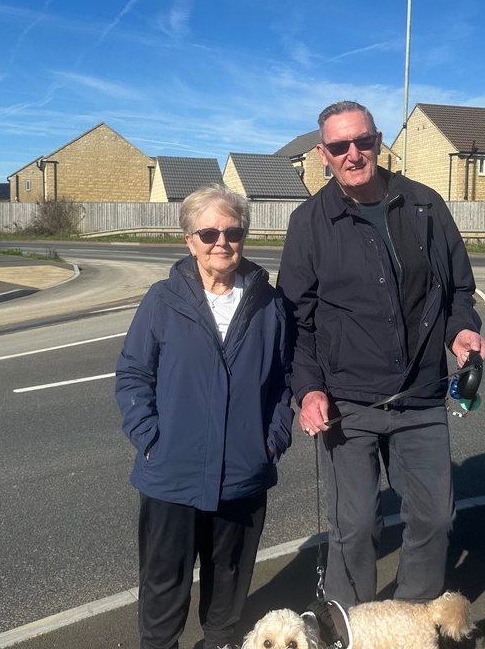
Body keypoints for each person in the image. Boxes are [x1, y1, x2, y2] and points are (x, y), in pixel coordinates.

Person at [278, 100, 485, 608]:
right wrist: (307, 390)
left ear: (377, 142)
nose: (353, 154)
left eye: (363, 141)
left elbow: (459, 289)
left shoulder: (424, 206)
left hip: (420, 395)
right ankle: (352, 626)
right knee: (353, 528)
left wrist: (460, 331)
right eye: (339, 146)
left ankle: (411, 621)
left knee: (436, 518)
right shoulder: (310, 222)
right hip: (347, 403)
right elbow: (295, 322)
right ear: (323, 155)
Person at [115, 183, 295, 649]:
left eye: (232, 232)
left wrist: (271, 440)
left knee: (228, 593)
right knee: (163, 589)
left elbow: (282, 381)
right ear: (189, 240)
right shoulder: (161, 300)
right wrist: (150, 438)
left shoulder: (269, 305)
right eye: (209, 232)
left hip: (242, 475)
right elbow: (133, 374)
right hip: (170, 475)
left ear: (244, 236)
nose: (222, 242)